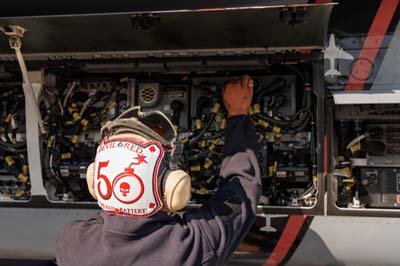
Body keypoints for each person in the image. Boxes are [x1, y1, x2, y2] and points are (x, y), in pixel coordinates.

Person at [56, 75, 261, 266]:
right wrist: (237, 114)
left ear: (96, 182)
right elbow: (243, 187)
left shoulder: (72, 243)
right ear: (172, 187)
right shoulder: (194, 246)